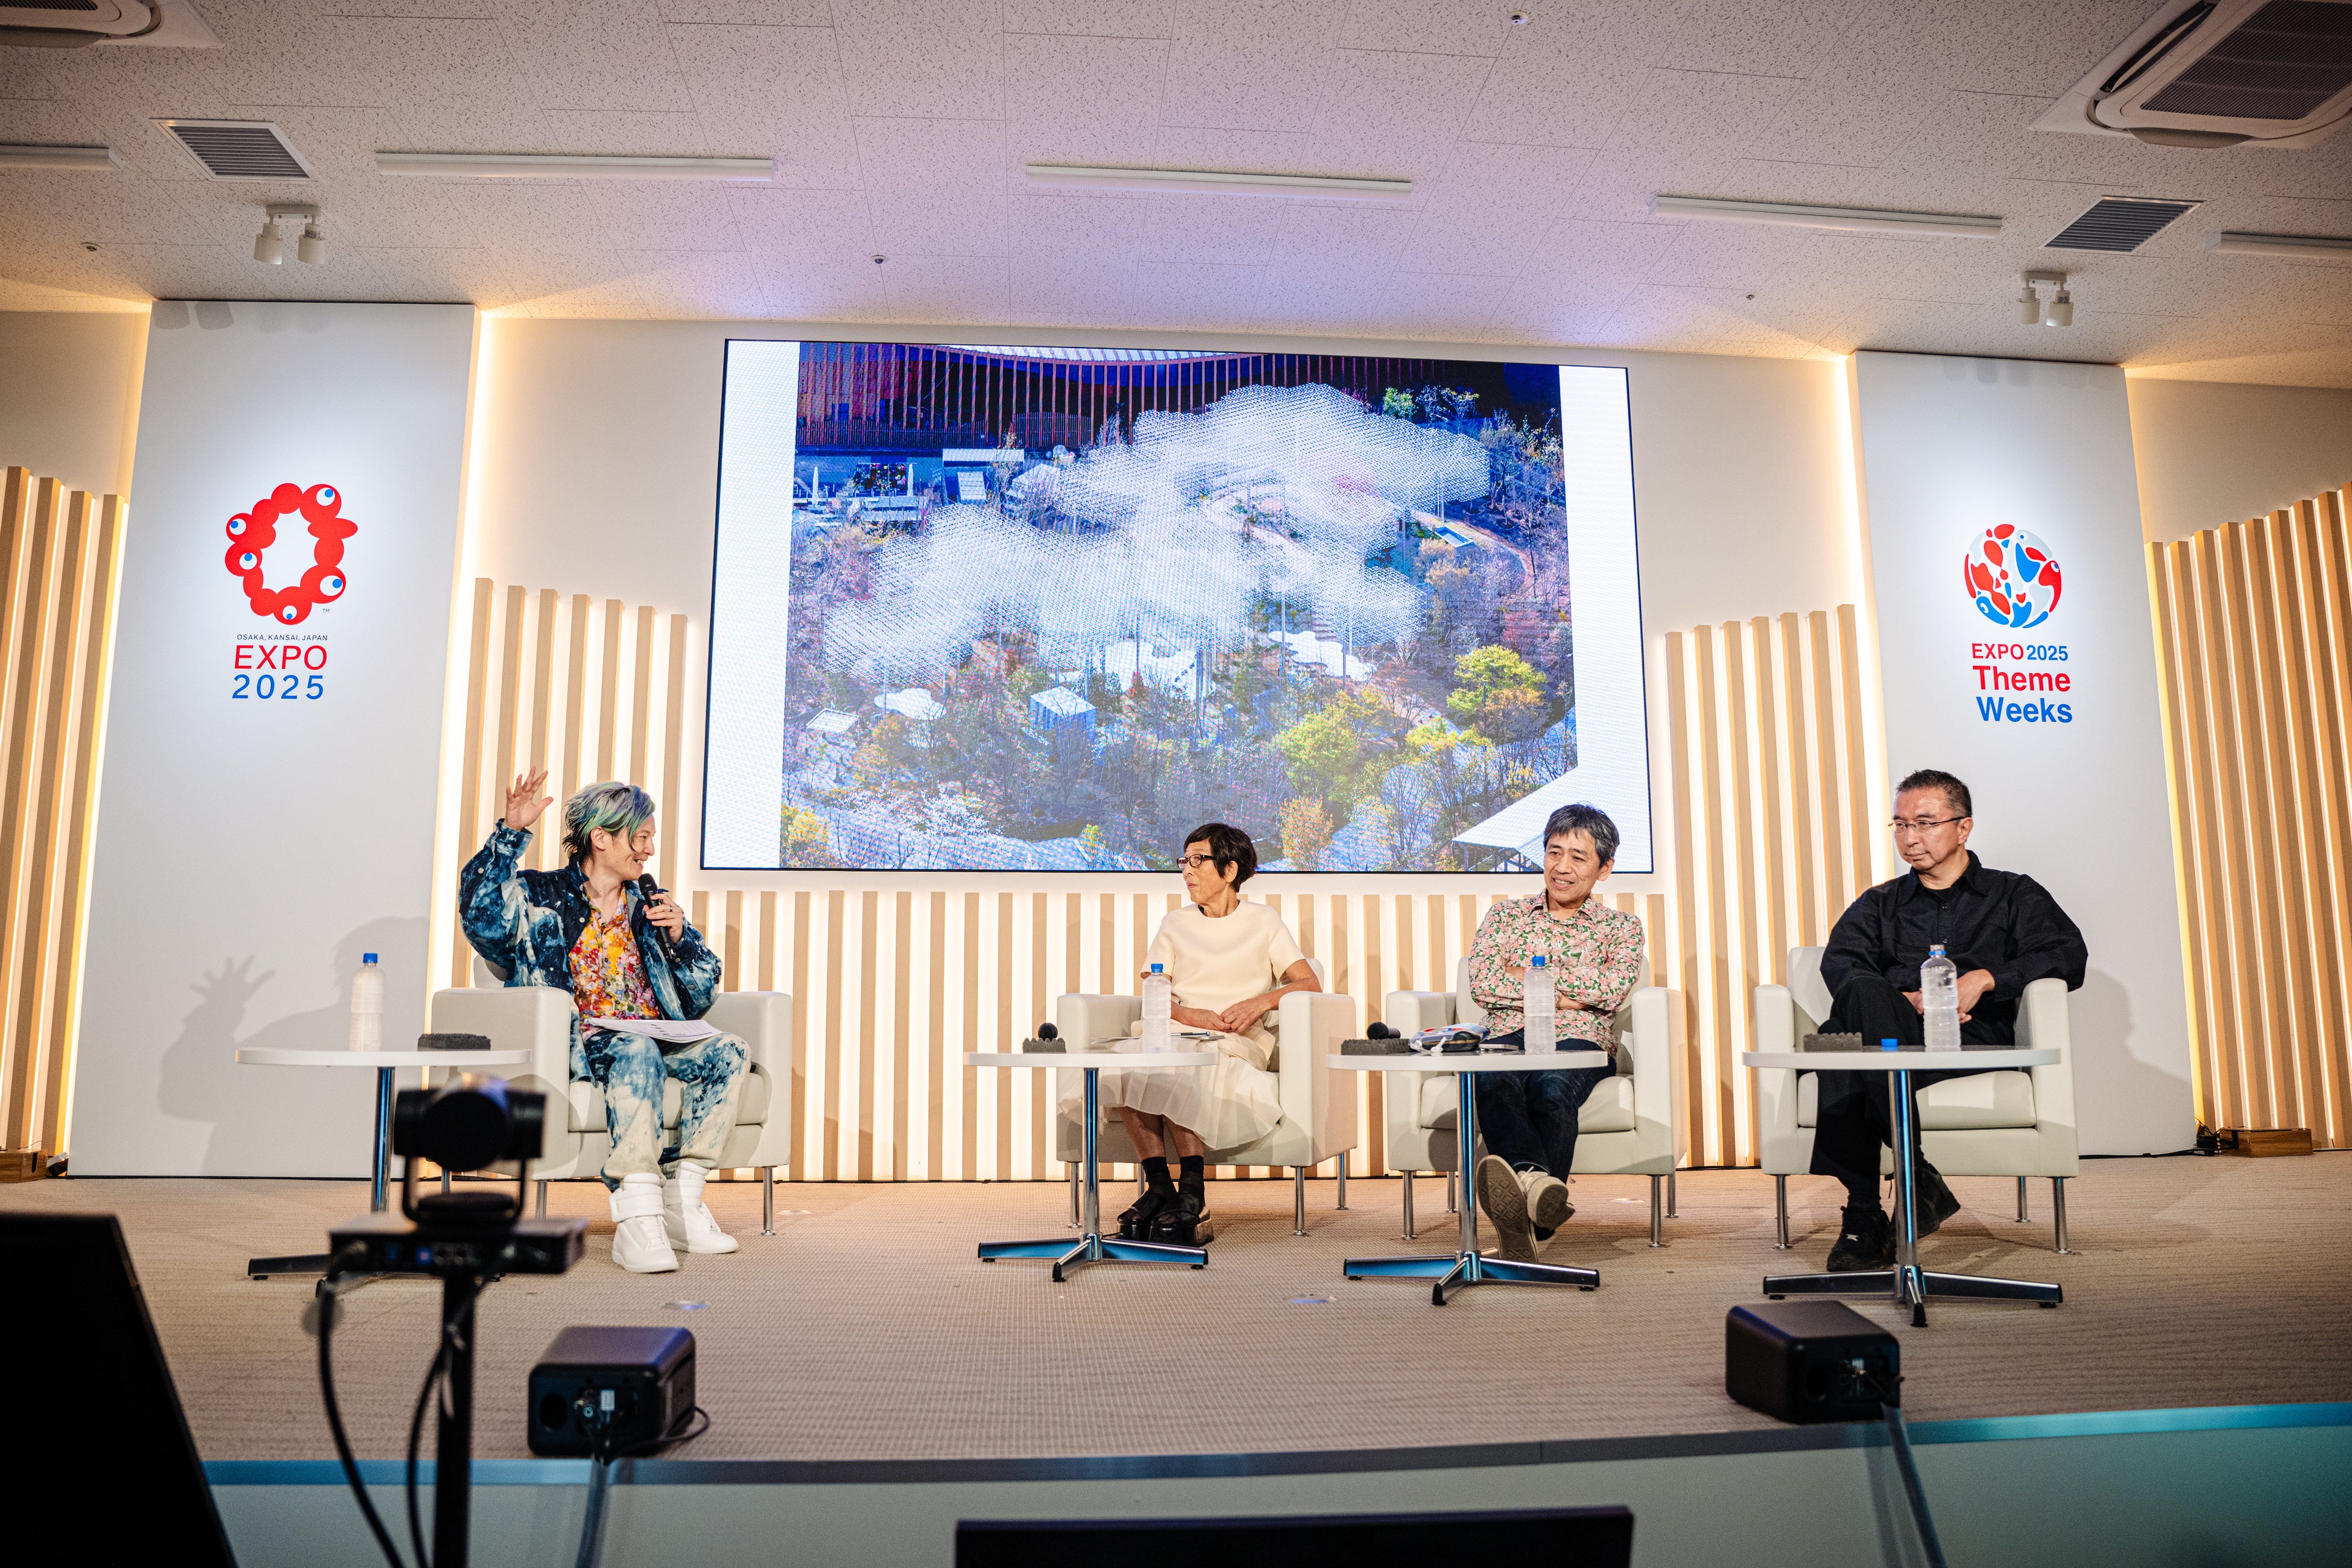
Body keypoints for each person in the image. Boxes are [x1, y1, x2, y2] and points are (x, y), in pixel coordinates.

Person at [459, 768, 750, 1275]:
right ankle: (637, 1216)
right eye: (641, 838)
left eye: (651, 839)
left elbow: (701, 993)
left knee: (730, 1050)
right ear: (601, 838)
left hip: (655, 1035)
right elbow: (481, 920)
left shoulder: (649, 907)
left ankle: (682, 1202)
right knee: (634, 1048)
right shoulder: (540, 895)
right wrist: (510, 835)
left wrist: (681, 939)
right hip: (585, 1041)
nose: (649, 851)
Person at [1811, 768, 2088, 1271]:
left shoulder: (2013, 894)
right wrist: (1904, 1000)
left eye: (1924, 823)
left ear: (1963, 828)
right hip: (1895, 1035)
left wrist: (1986, 978)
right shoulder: (1879, 904)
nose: (1909, 838)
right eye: (1900, 825)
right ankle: (1911, 1180)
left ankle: (1864, 1213)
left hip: (1970, 1037)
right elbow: (1842, 965)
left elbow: (2068, 956)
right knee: (1860, 1006)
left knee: (1836, 1046)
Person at [1069, 823, 1321, 1245]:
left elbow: (1309, 984)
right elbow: (1154, 993)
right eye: (1183, 861)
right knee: (1132, 1066)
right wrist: (1193, 1016)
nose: (1186, 870)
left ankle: (1193, 1192)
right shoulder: (1174, 923)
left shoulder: (1263, 920)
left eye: (1198, 860)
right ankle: (1160, 1189)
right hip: (1177, 1030)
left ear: (1229, 870)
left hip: (1235, 1039)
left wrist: (1260, 1003)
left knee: (1183, 1068)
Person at [1464, 803, 1646, 1262]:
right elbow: (1483, 982)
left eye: (1578, 857)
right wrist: (1569, 990)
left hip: (1581, 1038)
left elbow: (1611, 989)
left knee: (1551, 1087)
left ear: (1604, 868)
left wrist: (1527, 977)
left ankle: (1529, 1216)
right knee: (1493, 1079)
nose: (1562, 867)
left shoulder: (1622, 927)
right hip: (1507, 1033)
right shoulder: (1505, 917)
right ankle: (1535, 1189)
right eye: (1554, 852)